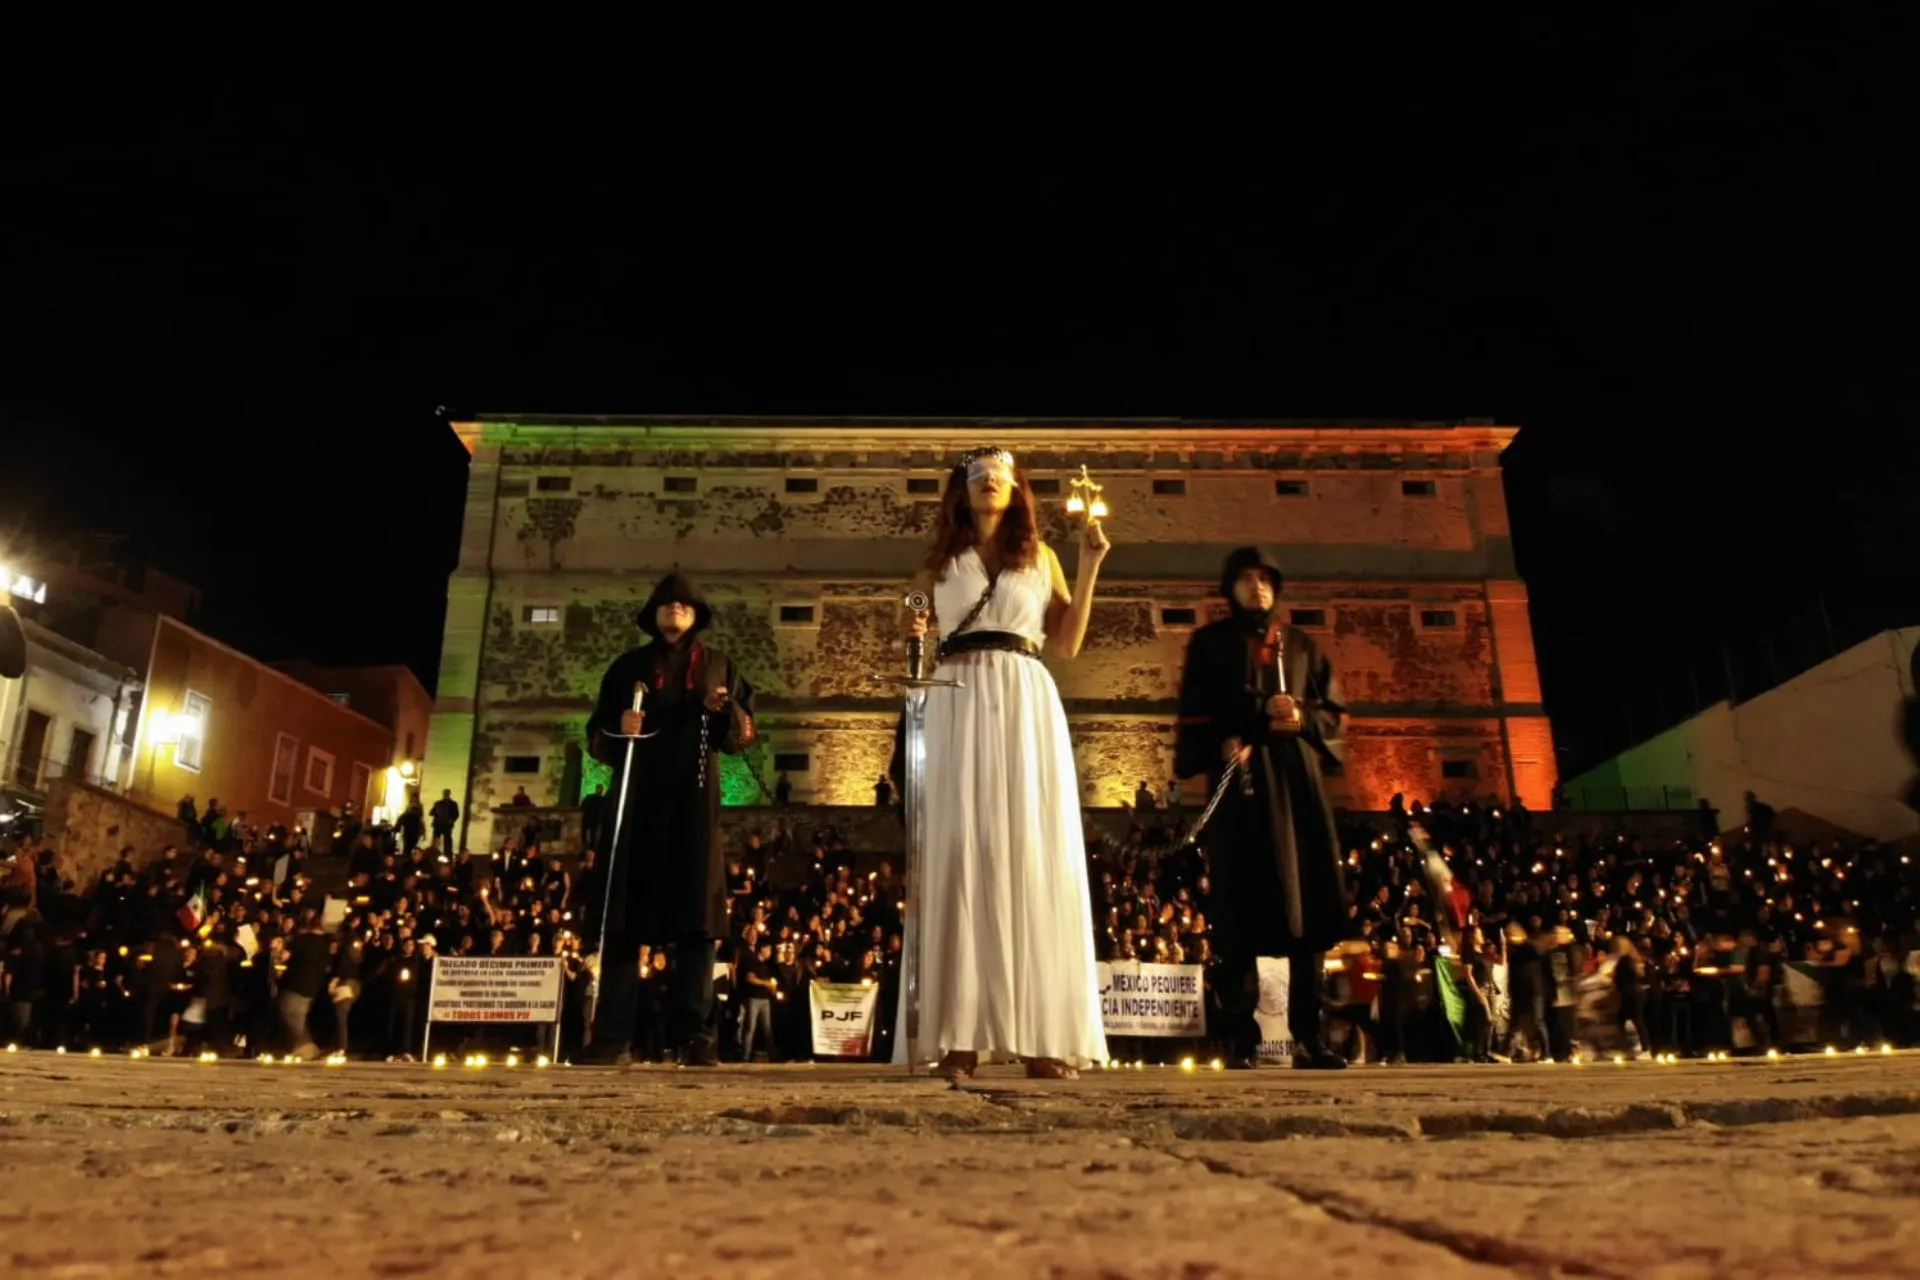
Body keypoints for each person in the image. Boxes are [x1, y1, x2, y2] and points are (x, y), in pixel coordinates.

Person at [894, 445, 1110, 1081]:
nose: (990, 483)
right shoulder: (939, 562)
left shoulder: (1041, 559)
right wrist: (912, 631)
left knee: (1031, 852)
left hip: (1023, 694)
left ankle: (1044, 1038)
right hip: (957, 694)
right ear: (961, 492)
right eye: (979, 476)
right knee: (962, 852)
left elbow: (1067, 644)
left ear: (1016, 491)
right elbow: (910, 622)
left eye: (1001, 477)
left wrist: (1090, 566)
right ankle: (959, 1038)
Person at [1174, 546, 1349, 1069]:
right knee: (1240, 904)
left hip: (1297, 788)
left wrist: (1302, 718)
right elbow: (1194, 715)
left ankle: (1310, 1035)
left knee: (1306, 907)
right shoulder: (1209, 644)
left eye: (1265, 579)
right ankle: (1240, 1037)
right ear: (1230, 588)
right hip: (1242, 788)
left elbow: (1334, 713)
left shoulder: (1302, 645)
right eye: (1247, 579)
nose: (1257, 587)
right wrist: (1226, 739)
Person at [583, 570, 757, 1067]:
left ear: (697, 614)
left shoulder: (719, 665)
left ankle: (696, 1038)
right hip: (638, 803)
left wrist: (724, 710)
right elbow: (597, 735)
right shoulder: (627, 667)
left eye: (684, 604)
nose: (675, 608)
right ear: (653, 614)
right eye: (666, 604)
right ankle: (612, 1037)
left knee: (696, 926)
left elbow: (741, 735)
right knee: (623, 921)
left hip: (693, 806)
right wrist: (619, 726)